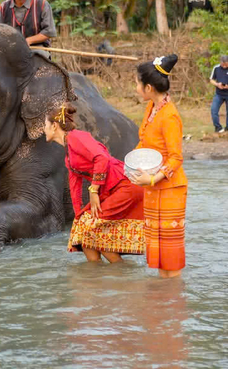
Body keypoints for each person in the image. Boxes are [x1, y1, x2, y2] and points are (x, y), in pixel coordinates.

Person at [44, 105, 145, 263]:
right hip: (112, 189)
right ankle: (97, 280)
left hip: (124, 185)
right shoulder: (68, 156)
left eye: (45, 125)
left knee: (94, 231)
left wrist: (93, 190)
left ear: (54, 126)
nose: (44, 129)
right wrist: (78, 217)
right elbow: (75, 188)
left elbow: (101, 158)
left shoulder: (76, 137)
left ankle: (121, 274)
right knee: (84, 235)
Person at [129, 55, 187, 278]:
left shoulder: (169, 116)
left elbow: (175, 158)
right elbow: (145, 142)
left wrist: (152, 179)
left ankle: (173, 306)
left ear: (149, 87)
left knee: (170, 257)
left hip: (170, 189)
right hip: (153, 188)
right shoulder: (152, 108)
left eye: (137, 83)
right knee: (159, 254)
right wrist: (129, 162)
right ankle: (162, 307)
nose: (136, 88)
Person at [210, 55, 228, 133]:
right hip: (219, 94)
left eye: (226, 64)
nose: (224, 65)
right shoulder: (216, 68)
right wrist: (217, 84)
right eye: (222, 63)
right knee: (213, 110)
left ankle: (227, 127)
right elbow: (211, 80)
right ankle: (218, 127)